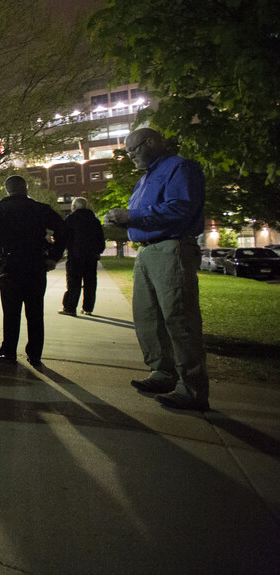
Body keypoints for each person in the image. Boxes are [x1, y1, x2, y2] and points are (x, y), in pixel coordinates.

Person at [106, 128, 209, 412]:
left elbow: (181, 208)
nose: (130, 157)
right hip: (147, 250)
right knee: (148, 317)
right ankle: (163, 373)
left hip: (171, 247)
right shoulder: (145, 179)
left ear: (151, 142)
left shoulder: (179, 167)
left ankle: (192, 388)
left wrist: (132, 215)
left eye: (133, 150)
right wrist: (122, 220)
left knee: (179, 317)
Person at [0, 175, 66, 367]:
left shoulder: (1, 209)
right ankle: (35, 354)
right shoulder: (40, 208)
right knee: (35, 312)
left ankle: (9, 350)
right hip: (36, 264)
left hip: (11, 265)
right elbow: (63, 229)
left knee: (11, 312)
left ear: (8, 190)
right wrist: (53, 255)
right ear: (26, 188)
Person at [59, 197, 106, 316]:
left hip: (75, 255)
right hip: (91, 256)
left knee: (74, 281)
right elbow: (100, 238)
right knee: (90, 282)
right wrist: (98, 251)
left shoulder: (71, 219)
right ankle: (88, 308)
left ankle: (70, 307)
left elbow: (64, 236)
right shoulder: (94, 220)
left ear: (74, 207)